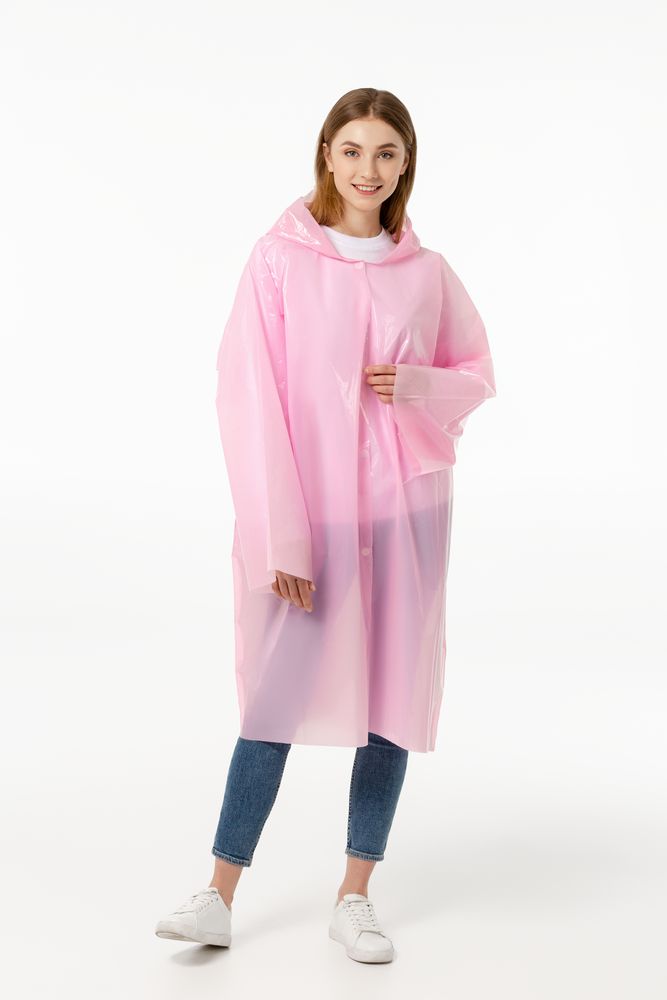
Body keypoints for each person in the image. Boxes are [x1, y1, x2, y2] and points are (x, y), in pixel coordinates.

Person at [155, 87, 496, 964]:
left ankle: (355, 895)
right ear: (326, 155)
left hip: (407, 512)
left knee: (390, 700)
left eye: (385, 152)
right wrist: (283, 536)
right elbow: (248, 396)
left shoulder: (426, 271)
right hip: (310, 512)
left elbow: (474, 374)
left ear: (405, 163)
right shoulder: (279, 260)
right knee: (274, 694)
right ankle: (217, 893)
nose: (367, 169)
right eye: (352, 150)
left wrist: (416, 385)